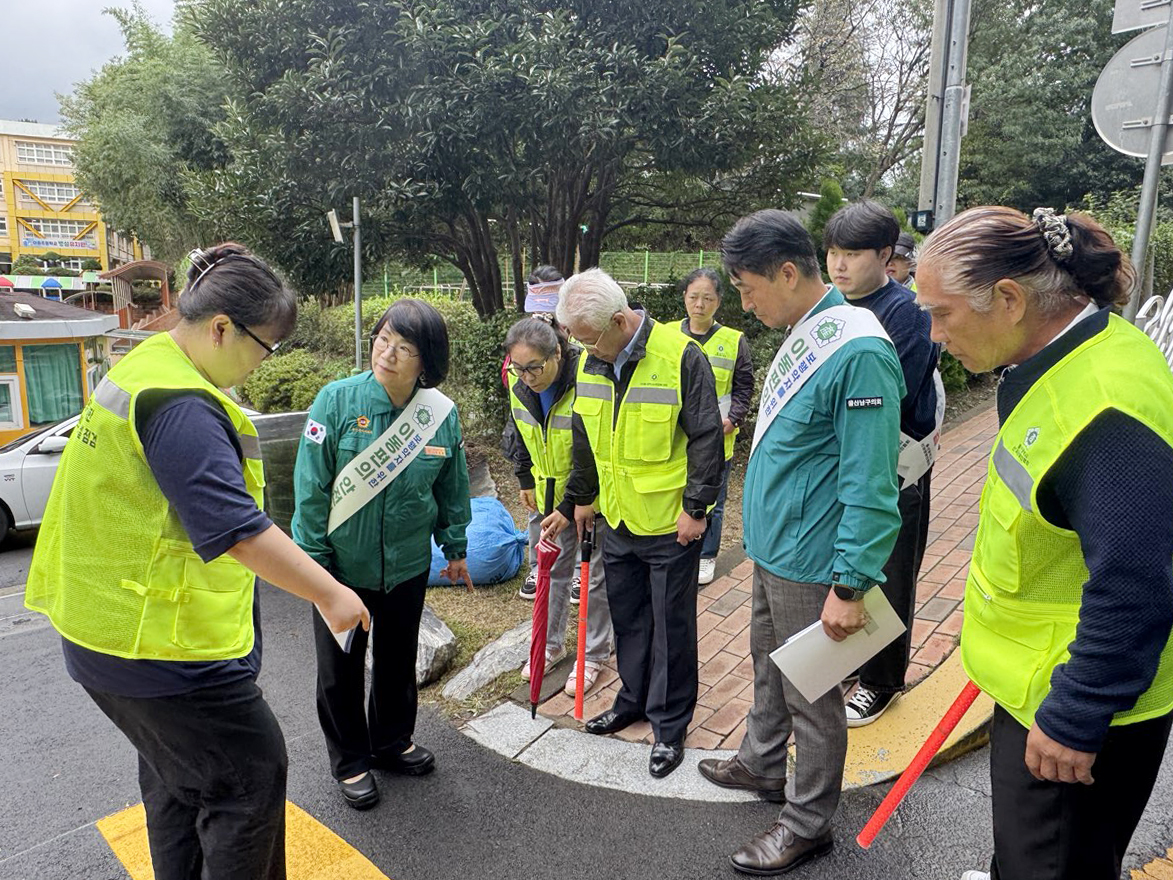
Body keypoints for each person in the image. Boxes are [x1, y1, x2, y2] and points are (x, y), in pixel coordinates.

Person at [24, 243, 370, 880]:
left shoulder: (146, 363)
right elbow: (237, 531)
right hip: (160, 647)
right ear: (220, 328)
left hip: (104, 631)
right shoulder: (183, 405)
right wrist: (331, 594)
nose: (260, 367)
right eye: (263, 348)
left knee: (177, 777)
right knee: (248, 775)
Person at [916, 207, 1173, 880]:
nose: (934, 336)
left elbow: (1138, 579)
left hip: (1075, 704)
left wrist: (1077, 711)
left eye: (941, 314)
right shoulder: (1065, 355)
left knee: (1055, 865)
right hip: (1038, 680)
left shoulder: (1103, 409)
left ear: (1007, 299)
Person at [698, 210, 904, 875]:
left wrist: (850, 585)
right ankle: (761, 763)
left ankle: (807, 822)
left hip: (816, 561)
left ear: (788, 273)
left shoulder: (858, 349)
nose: (745, 302)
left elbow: (871, 481)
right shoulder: (805, 328)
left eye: (748, 287)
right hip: (776, 545)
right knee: (767, 662)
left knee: (812, 697)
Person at [292, 298, 473, 810]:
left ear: (426, 361)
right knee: (341, 669)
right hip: (341, 570)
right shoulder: (336, 401)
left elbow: (452, 487)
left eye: (405, 347)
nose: (388, 354)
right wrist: (315, 566)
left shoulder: (439, 416)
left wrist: (455, 546)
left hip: (408, 567)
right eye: (383, 340)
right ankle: (350, 761)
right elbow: (311, 489)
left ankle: (391, 742)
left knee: (396, 661)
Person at [546, 267, 724, 778]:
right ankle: (633, 699)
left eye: (588, 339)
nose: (583, 349)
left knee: (671, 625)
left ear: (621, 321)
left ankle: (670, 724)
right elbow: (585, 436)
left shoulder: (680, 356)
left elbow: (707, 437)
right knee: (628, 617)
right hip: (619, 517)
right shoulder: (590, 361)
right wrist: (581, 498)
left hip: (671, 523)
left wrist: (697, 508)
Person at [824, 200, 942, 725]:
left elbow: (893, 397)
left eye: (852, 254)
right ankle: (853, 662)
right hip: (844, 462)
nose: (839, 265)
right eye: (832, 252)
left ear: (886, 254)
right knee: (848, 568)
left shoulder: (907, 314)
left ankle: (882, 681)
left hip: (896, 466)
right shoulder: (831, 308)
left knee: (889, 573)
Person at [505, 314, 613, 696]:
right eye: (518, 368)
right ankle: (551, 644)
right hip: (546, 496)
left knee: (593, 577)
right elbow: (517, 433)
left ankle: (595, 653)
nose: (527, 377)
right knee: (548, 571)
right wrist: (523, 477)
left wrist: (574, 504)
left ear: (557, 354)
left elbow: (590, 451)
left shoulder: (585, 378)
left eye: (533, 367)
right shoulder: (519, 386)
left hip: (586, 500)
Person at [677, 268, 754, 586]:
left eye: (707, 298)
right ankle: (680, 548)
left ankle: (707, 555)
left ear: (719, 302)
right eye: (694, 297)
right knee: (678, 496)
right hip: (676, 439)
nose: (699, 304)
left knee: (714, 502)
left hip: (718, 439)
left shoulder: (733, 340)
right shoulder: (668, 335)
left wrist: (733, 419)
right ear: (684, 298)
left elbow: (743, 386)